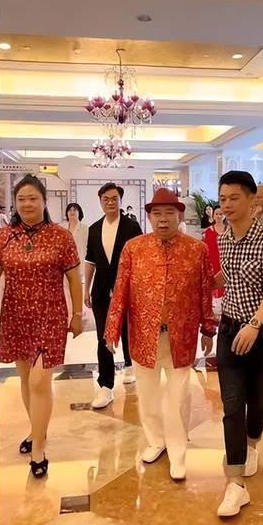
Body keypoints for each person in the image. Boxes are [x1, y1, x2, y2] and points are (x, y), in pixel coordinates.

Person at [104, 188, 216, 481]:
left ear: (179, 216)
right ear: (150, 217)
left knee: (177, 398)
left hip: (182, 336)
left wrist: (208, 328)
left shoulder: (196, 250)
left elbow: (205, 292)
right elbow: (121, 290)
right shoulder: (134, 248)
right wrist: (112, 328)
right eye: (157, 214)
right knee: (148, 394)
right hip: (143, 335)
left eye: (169, 213)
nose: (163, 219)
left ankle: (178, 453)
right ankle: (156, 440)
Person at [214, 171, 263, 517]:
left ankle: (253, 441)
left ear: (251, 201)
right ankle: (235, 485)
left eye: (234, 198)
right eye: (223, 198)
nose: (227, 205)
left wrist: (255, 324)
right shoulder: (224, 239)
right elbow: (228, 277)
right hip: (230, 331)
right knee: (232, 406)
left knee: (258, 402)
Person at [0, 175, 82, 477]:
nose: (27, 204)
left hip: (50, 315)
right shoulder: (4, 236)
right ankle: (36, 430)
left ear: (44, 202)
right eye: (21, 199)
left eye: (33, 198)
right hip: (15, 315)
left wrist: (78, 314)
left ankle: (39, 449)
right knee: (24, 379)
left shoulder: (61, 236)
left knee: (39, 381)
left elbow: (74, 279)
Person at [84, 182, 143, 408]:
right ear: (100, 201)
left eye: (114, 198)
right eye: (106, 199)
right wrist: (86, 289)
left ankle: (129, 364)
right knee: (103, 336)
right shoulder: (94, 229)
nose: (110, 202)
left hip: (127, 288)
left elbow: (140, 260)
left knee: (128, 329)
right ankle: (106, 385)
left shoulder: (132, 227)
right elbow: (90, 261)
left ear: (120, 200)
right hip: (100, 289)